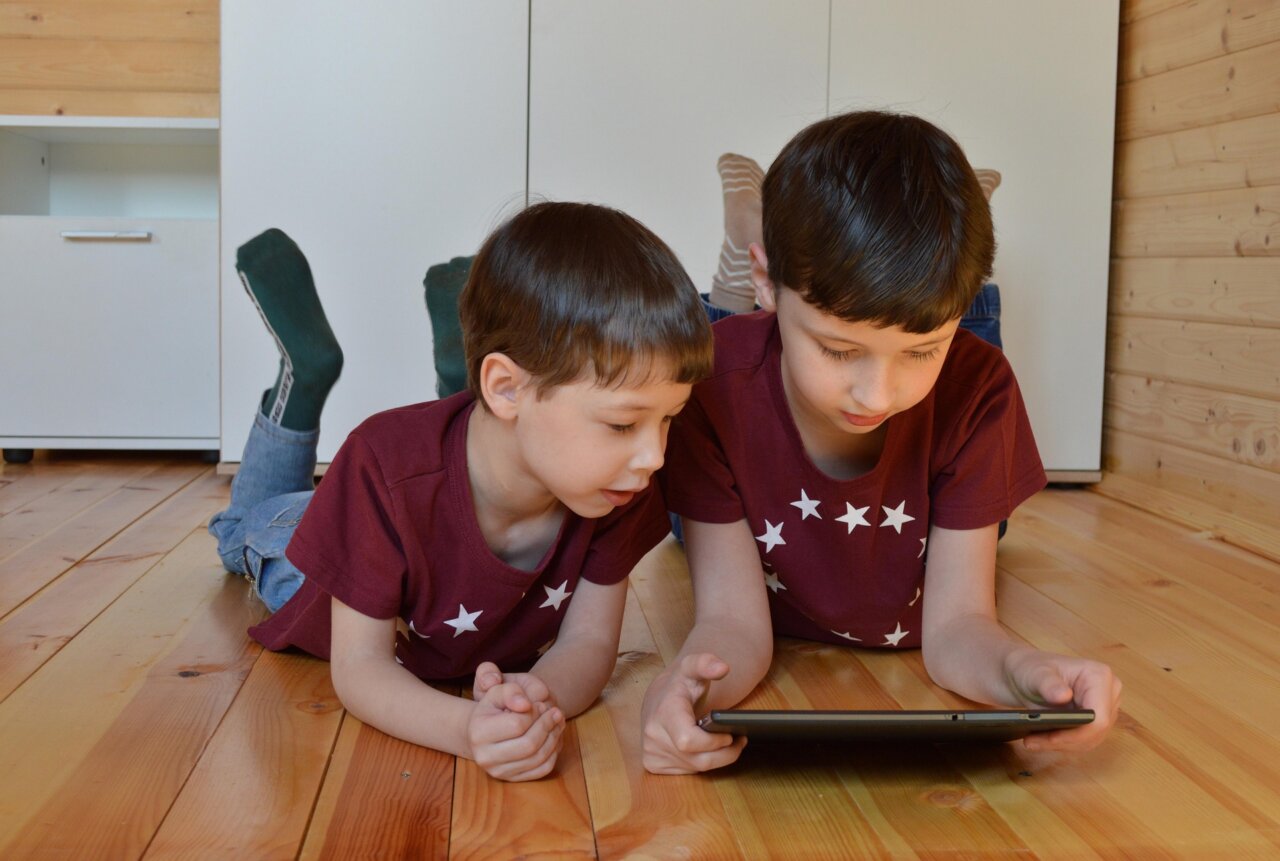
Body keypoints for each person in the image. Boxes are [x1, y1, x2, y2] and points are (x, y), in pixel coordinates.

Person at [640, 111, 1122, 774]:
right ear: (772, 281)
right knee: (710, 338)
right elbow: (734, 621)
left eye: (921, 350)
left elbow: (955, 627)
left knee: (963, 327)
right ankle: (745, 240)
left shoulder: (976, 389)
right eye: (840, 349)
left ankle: (941, 252)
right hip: (741, 417)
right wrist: (691, 690)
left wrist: (1025, 670)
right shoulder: (713, 388)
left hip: (901, 448)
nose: (875, 394)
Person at [209, 202, 713, 781]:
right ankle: (303, 374)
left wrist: (528, 703)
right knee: (242, 528)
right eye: (624, 424)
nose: (654, 457)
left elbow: (590, 645)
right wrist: (467, 730)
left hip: (448, 485)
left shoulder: (617, 482)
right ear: (508, 389)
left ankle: (458, 385)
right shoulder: (381, 464)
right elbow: (360, 667)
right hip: (323, 545)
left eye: (670, 419)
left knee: (452, 467)